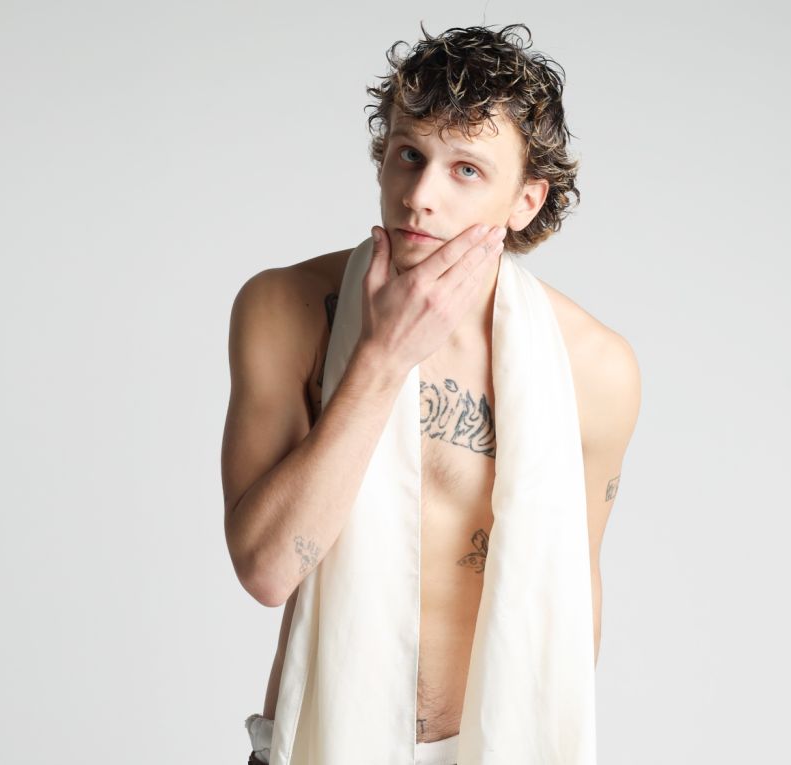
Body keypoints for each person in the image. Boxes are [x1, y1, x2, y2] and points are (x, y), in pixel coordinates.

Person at [221, 22, 641, 765]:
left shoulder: (597, 368)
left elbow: (575, 605)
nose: (420, 197)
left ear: (526, 200)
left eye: (466, 170)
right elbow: (267, 569)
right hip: (312, 745)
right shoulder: (286, 309)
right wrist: (381, 359)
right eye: (409, 155)